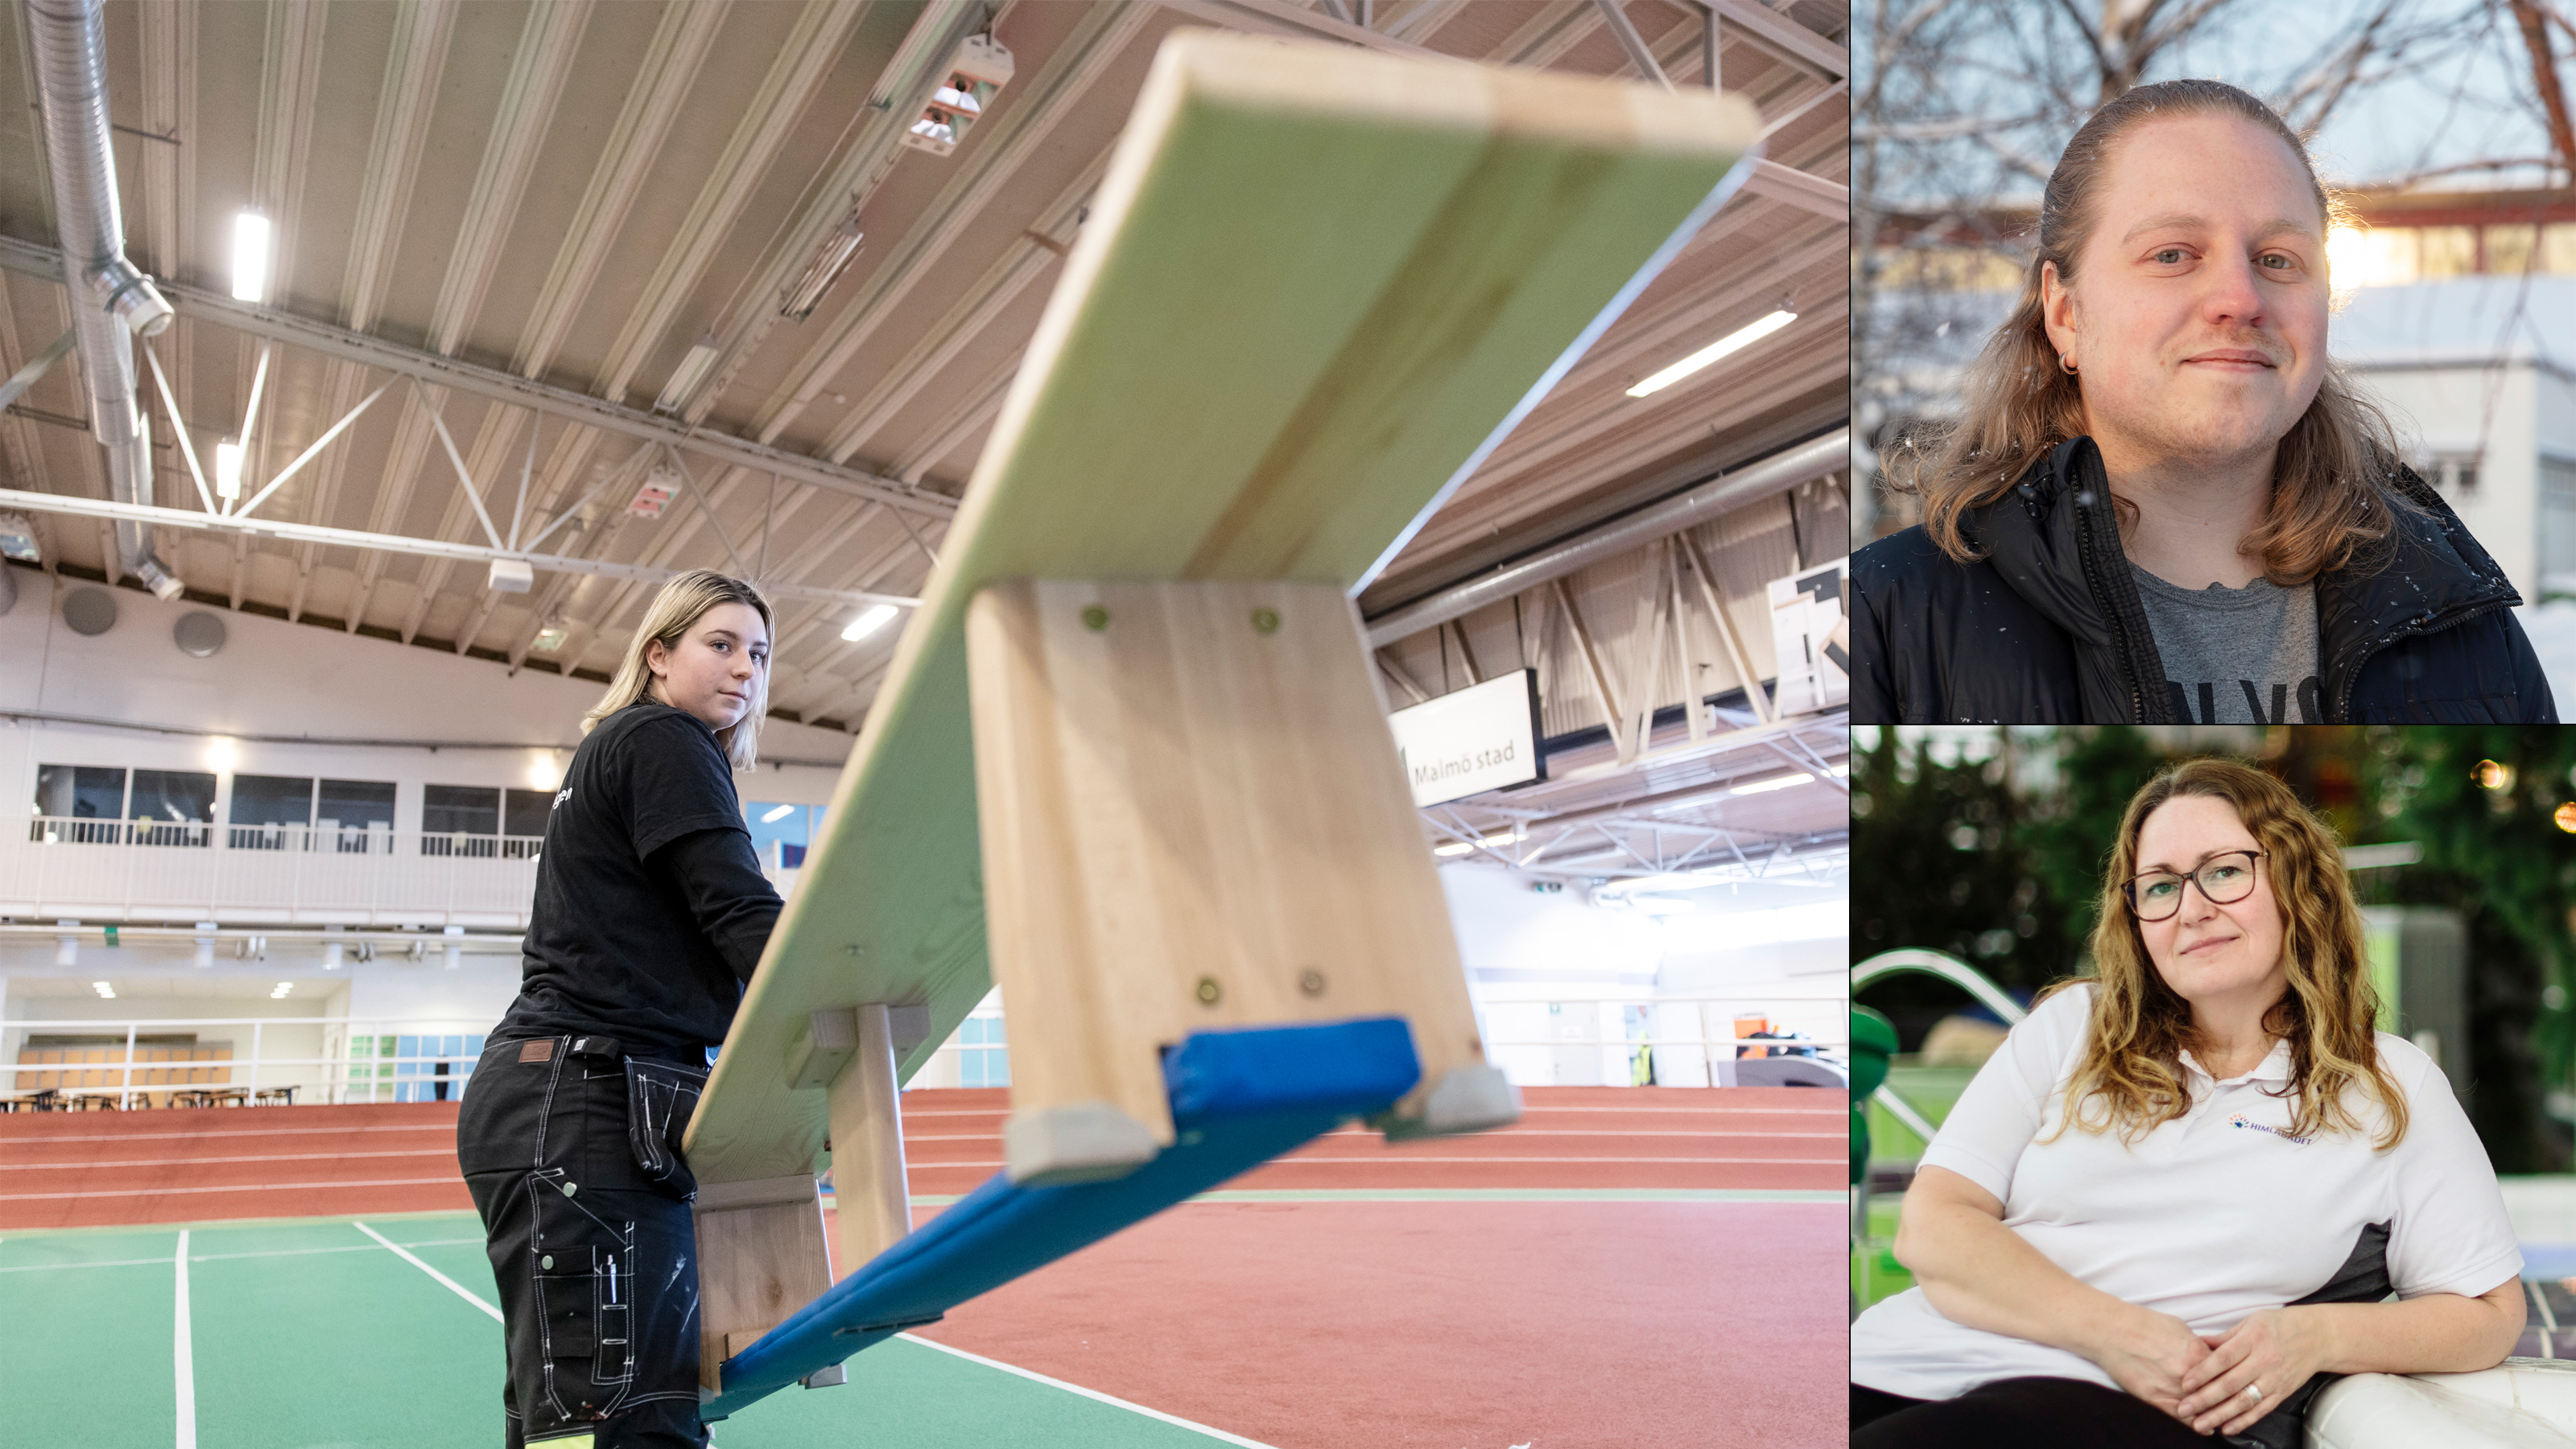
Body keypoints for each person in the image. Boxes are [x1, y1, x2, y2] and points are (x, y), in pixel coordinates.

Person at [1849, 758, 2524, 1448]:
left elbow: (2490, 1313)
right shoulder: (2072, 1027)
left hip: (2117, 1409)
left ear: (2297, 880)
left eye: (2225, 871)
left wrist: (2316, 1336)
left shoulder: (2386, 1086)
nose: (2193, 909)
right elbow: (1930, 1228)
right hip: (1895, 1366)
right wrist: (2118, 1334)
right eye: (2162, 886)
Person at [1851, 79, 2553, 724]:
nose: (2240, 300)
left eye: (2278, 259)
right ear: (2065, 313)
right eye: (2173, 254)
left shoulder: (2456, 617)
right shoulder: (1889, 619)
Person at [455, 570, 786, 1449]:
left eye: (758, 653)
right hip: (583, 1098)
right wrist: (832, 987)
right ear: (657, 654)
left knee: (572, 1420)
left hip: (558, 1096)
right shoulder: (662, 738)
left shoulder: (626, 750)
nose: (745, 669)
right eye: (720, 644)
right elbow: (738, 911)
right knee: (627, 1424)